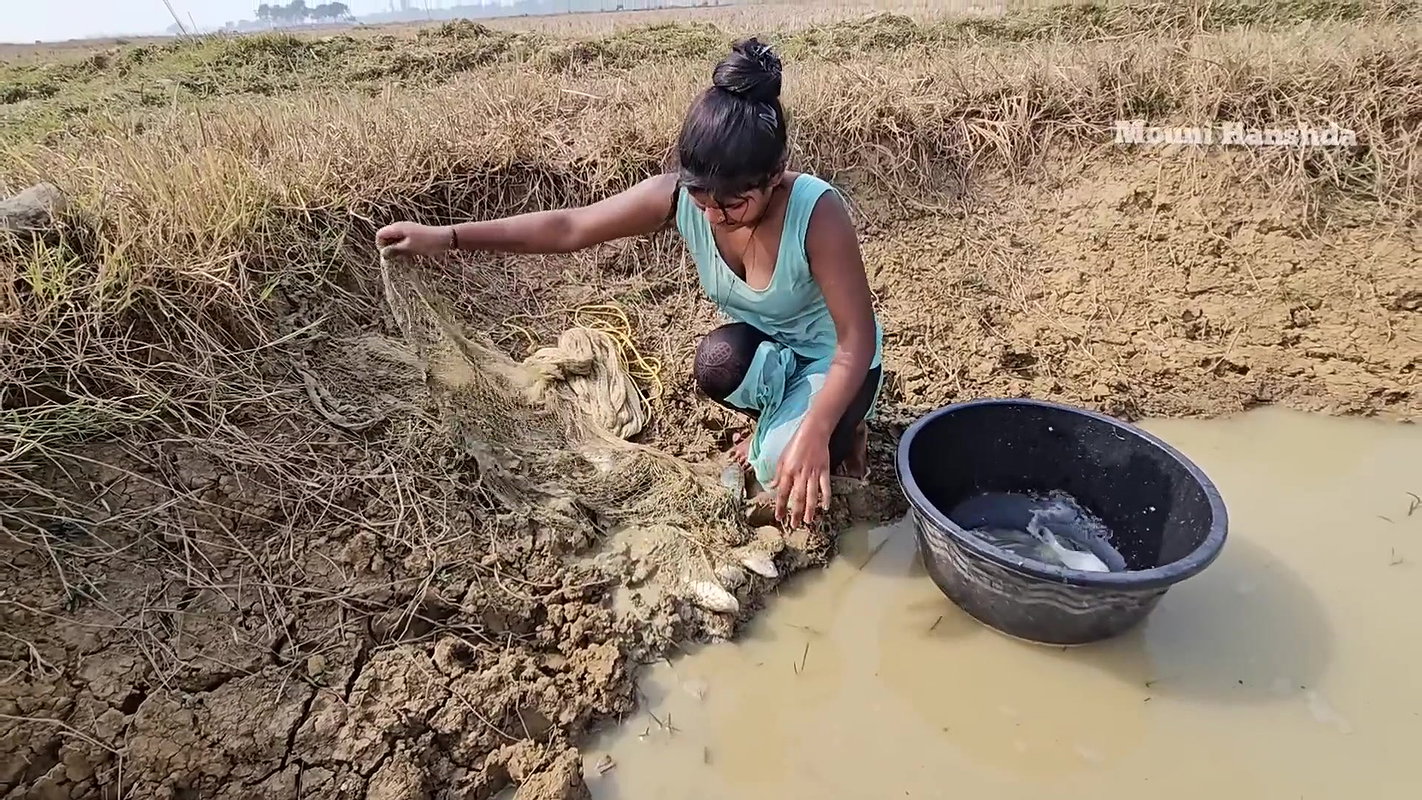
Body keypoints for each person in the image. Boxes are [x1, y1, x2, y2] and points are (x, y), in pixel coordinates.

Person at [377, 38, 883, 529]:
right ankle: (783, 417)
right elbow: (569, 228)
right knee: (718, 363)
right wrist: (445, 236)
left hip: (840, 361)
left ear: (774, 175)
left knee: (776, 472)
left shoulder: (816, 211)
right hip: (775, 354)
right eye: (701, 198)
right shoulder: (683, 199)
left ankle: (841, 427)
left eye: (732, 204)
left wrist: (815, 431)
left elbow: (854, 343)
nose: (711, 216)